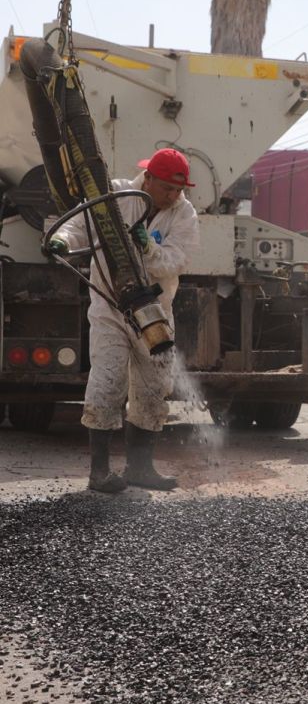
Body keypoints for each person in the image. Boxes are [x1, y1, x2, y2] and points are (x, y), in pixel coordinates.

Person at [48, 148, 200, 493]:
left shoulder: (184, 213)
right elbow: (78, 223)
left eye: (178, 190)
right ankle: (99, 472)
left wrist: (149, 249)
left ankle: (140, 468)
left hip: (154, 311)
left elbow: (176, 261)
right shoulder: (115, 195)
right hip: (110, 307)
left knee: (153, 386)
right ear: (148, 179)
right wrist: (63, 239)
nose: (173, 196)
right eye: (166, 188)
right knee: (107, 379)